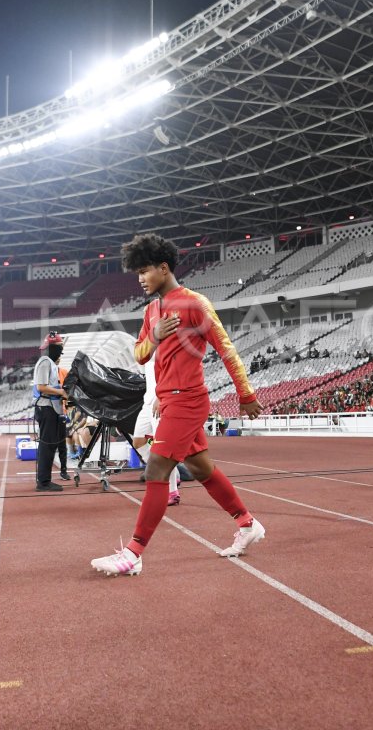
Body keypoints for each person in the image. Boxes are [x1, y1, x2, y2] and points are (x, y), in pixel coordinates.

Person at [91, 233, 264, 575]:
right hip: (166, 401)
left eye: (144, 271)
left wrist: (246, 395)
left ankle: (133, 553)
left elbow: (226, 349)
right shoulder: (151, 310)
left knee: (156, 470)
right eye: (136, 272)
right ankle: (247, 524)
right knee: (201, 468)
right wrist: (154, 337)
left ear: (163, 267)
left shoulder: (194, 304)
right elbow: (140, 356)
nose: (140, 279)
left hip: (189, 400)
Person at [130, 356, 182, 504]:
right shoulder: (148, 345)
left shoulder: (166, 344)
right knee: (139, 441)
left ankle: (172, 491)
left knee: (163, 448)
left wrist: (162, 396)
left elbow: (173, 372)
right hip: (147, 403)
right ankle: (172, 471)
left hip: (162, 400)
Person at [32, 333, 68, 492]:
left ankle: (45, 480)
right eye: (59, 350)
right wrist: (61, 393)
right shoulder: (45, 363)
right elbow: (41, 387)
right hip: (46, 407)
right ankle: (43, 482)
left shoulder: (51, 363)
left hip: (52, 408)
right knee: (47, 445)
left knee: (51, 445)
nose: (61, 353)